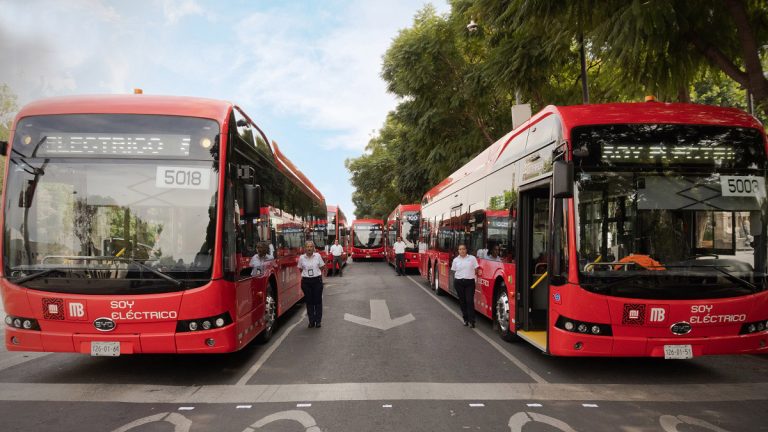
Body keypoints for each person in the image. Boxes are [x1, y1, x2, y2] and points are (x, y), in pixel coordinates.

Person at [298, 240, 326, 328]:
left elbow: (322, 267)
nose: (309, 248)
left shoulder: (317, 256)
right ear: (305, 248)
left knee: (317, 301)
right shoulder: (302, 258)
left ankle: (318, 321)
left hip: (317, 281)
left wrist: (315, 273)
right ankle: (311, 321)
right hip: (306, 282)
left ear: (313, 248)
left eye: (311, 246)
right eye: (307, 246)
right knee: (309, 302)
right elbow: (300, 269)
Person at [450, 244, 480, 328]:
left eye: (463, 249)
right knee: (462, 302)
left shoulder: (472, 258)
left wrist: (474, 278)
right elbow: (453, 271)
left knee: (469, 301)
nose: (462, 251)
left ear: (466, 250)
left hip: (469, 283)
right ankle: (465, 319)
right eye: (460, 249)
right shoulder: (455, 260)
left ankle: (472, 321)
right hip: (459, 282)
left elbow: (476, 269)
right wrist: (455, 281)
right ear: (458, 251)